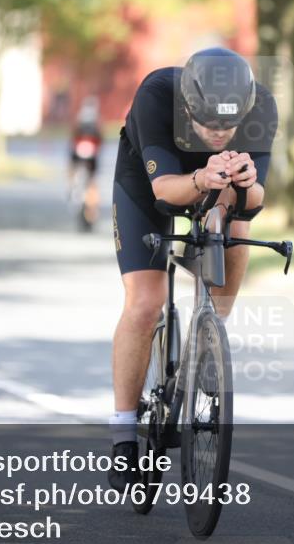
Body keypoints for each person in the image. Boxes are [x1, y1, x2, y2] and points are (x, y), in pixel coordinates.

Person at [108, 48, 277, 489]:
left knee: (234, 225)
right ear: (187, 109)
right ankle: (123, 432)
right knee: (146, 303)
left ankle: (210, 335)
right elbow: (164, 190)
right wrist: (202, 178)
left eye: (229, 126)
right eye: (209, 125)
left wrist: (243, 181)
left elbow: (257, 199)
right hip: (149, 182)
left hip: (217, 183)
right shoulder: (157, 95)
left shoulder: (261, 105)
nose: (220, 134)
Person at [68, 95, 103, 226]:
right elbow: (100, 139)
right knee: (92, 182)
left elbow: (72, 138)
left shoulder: (79, 120)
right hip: (91, 157)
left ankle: (72, 189)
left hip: (77, 155)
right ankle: (92, 210)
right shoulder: (96, 121)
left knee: (73, 171)